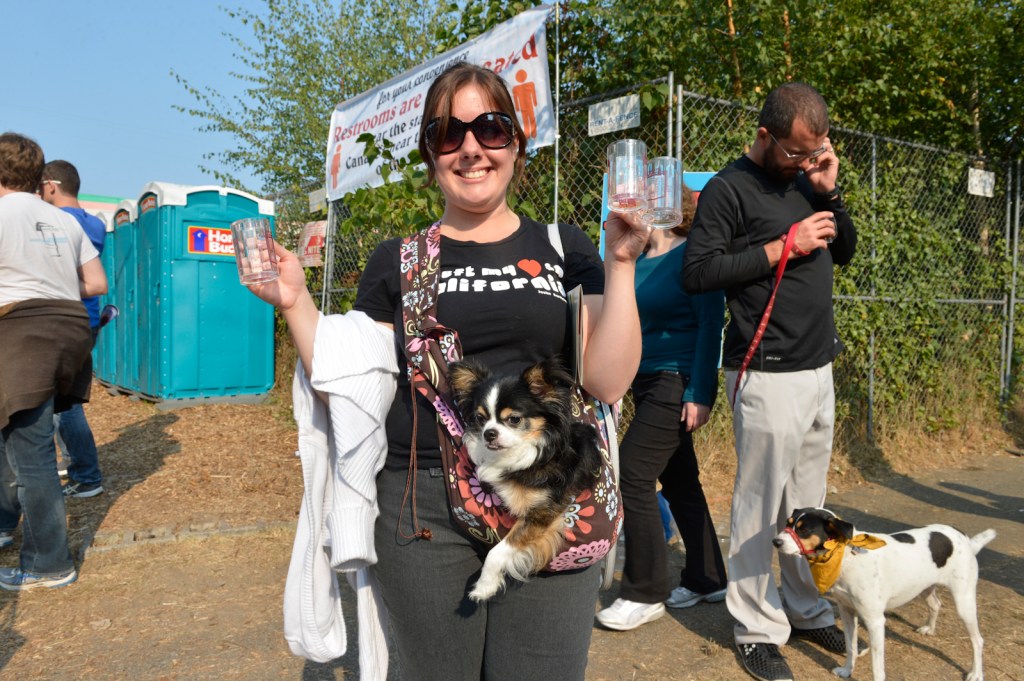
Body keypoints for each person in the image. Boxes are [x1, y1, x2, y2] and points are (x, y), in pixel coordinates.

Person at [249, 63, 649, 680]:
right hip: (423, 501)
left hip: (545, 493)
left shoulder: (564, 247)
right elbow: (351, 374)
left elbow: (607, 381)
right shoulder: (398, 260)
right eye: (447, 134)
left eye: (489, 128)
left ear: (516, 143)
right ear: (431, 155)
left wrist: (621, 265)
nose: (470, 148)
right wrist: (296, 303)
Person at [682, 82, 858, 681]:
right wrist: (784, 244)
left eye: (815, 153)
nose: (804, 163)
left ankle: (806, 607)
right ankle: (756, 626)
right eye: (796, 153)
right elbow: (699, 272)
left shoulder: (809, 182)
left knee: (807, 503)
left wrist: (829, 192)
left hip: (818, 366)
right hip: (766, 370)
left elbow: (847, 252)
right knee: (761, 506)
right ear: (764, 135)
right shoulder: (727, 191)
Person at [596, 183, 728, 631]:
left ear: (673, 206)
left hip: (677, 380)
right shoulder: (631, 261)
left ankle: (644, 591)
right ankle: (708, 577)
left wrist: (700, 393)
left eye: (649, 195)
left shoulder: (694, 255)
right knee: (680, 482)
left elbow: (712, 327)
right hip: (643, 380)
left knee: (631, 473)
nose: (638, 200)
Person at [0, 132, 108, 590]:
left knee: (32, 454)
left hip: (22, 332)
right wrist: (52, 285)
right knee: (17, 435)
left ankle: (48, 563)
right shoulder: (65, 221)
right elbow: (96, 282)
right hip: (68, 330)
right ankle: (6, 523)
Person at [39, 160, 106, 499]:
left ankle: (87, 474)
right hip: (86, 321)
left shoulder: (60, 222)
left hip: (64, 321)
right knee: (64, 402)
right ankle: (80, 467)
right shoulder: (93, 223)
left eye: (39, 187)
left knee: (63, 406)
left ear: (51, 185)